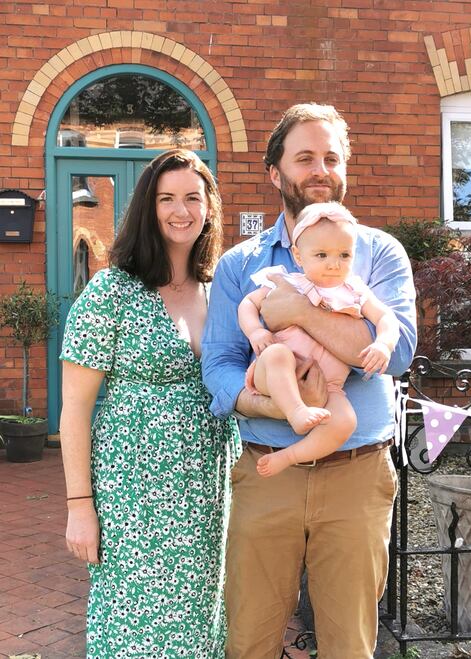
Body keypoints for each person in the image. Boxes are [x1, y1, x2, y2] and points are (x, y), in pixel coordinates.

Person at [202, 103, 417, 658]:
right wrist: (277, 407)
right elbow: (221, 366)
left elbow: (398, 354)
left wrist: (296, 310)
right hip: (267, 470)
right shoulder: (240, 265)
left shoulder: (378, 254)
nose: (320, 169)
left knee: (349, 644)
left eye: (330, 157)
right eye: (304, 158)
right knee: (249, 639)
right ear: (275, 173)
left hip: (356, 472)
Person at [60, 149, 240, 658]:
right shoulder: (111, 291)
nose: (180, 210)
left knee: (200, 623)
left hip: (208, 492)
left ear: (209, 207)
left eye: (191, 197)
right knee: (133, 628)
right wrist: (80, 507)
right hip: (133, 498)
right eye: (166, 198)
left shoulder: (217, 291)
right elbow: (74, 409)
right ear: (148, 207)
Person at [238, 201, 400, 477]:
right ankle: (296, 410)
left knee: (345, 421)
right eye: (322, 255)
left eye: (344, 255)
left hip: (332, 385)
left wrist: (383, 344)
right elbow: (247, 305)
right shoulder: (289, 282)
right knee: (278, 354)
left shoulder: (355, 291)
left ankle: (290, 456)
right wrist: (256, 331)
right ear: (299, 256)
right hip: (278, 372)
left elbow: (387, 318)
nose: (334, 264)